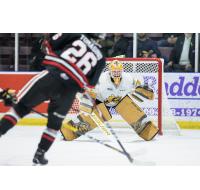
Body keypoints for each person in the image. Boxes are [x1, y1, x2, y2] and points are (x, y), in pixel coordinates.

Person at [0, 33, 106, 165]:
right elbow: (89, 85)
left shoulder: (76, 34)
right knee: (53, 126)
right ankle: (40, 154)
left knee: (19, 109)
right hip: (69, 91)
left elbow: (49, 44)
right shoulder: (101, 58)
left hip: (52, 77)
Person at [61, 60, 159, 142]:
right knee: (94, 117)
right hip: (102, 100)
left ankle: (148, 131)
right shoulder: (101, 79)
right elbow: (88, 90)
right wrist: (87, 104)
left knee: (130, 109)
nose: (116, 73)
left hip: (120, 100)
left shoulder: (128, 79)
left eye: (118, 71)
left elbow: (139, 85)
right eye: (114, 71)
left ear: (122, 71)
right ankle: (69, 131)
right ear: (110, 71)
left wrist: (145, 91)